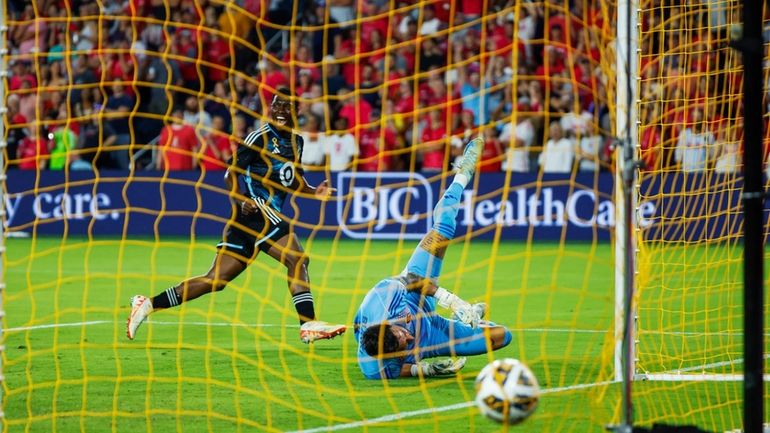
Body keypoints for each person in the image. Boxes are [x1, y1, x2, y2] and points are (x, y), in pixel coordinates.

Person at [127, 87, 347, 344]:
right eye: (275, 106)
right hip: (255, 209)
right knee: (297, 259)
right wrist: (242, 200)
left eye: (286, 106)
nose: (279, 111)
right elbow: (230, 173)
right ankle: (308, 324)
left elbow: (291, 179)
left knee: (215, 280)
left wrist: (312, 191)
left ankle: (148, 304)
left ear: (298, 111)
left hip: (255, 217)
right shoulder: (259, 137)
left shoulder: (296, 142)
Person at [354, 137, 512, 379]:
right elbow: (397, 370)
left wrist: (452, 300)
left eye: (400, 334)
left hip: (416, 294)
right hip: (432, 337)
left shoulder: (384, 299)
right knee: (502, 336)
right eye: (402, 345)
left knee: (445, 226)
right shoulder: (374, 367)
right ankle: (470, 320)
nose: (407, 338)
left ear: (387, 324)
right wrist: (424, 369)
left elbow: (411, 279)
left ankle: (462, 174)